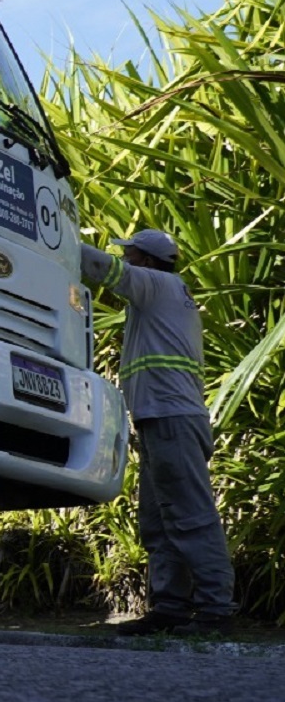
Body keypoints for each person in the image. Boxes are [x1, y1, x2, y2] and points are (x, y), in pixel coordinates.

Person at [81, 229, 237, 634]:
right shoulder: (164, 295)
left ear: (146, 262)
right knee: (159, 519)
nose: (125, 259)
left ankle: (215, 610)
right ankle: (169, 608)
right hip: (160, 420)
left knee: (190, 516)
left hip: (171, 420)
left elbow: (100, 267)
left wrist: (50, 235)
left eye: (129, 254)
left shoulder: (158, 284)